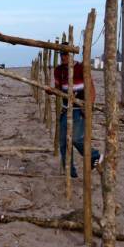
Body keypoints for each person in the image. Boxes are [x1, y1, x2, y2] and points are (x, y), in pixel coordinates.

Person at [50, 45, 102, 178]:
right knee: (63, 141)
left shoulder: (81, 68)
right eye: (61, 55)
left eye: (66, 54)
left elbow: (91, 89)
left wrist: (89, 105)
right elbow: (58, 90)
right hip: (66, 108)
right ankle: (70, 171)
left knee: (77, 139)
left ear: (72, 55)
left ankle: (95, 155)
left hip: (79, 109)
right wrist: (51, 91)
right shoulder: (59, 70)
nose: (63, 57)